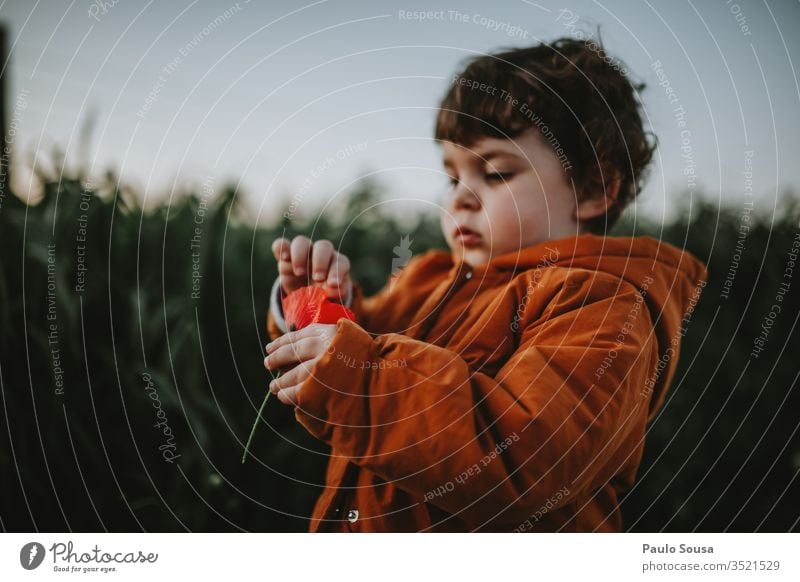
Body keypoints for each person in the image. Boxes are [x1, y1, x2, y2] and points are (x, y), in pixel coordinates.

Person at [262, 37, 708, 532]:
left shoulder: (603, 306)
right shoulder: (429, 278)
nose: (460, 199)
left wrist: (362, 379)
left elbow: (524, 457)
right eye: (452, 176)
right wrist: (318, 302)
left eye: (494, 174)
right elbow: (364, 339)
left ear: (593, 188)